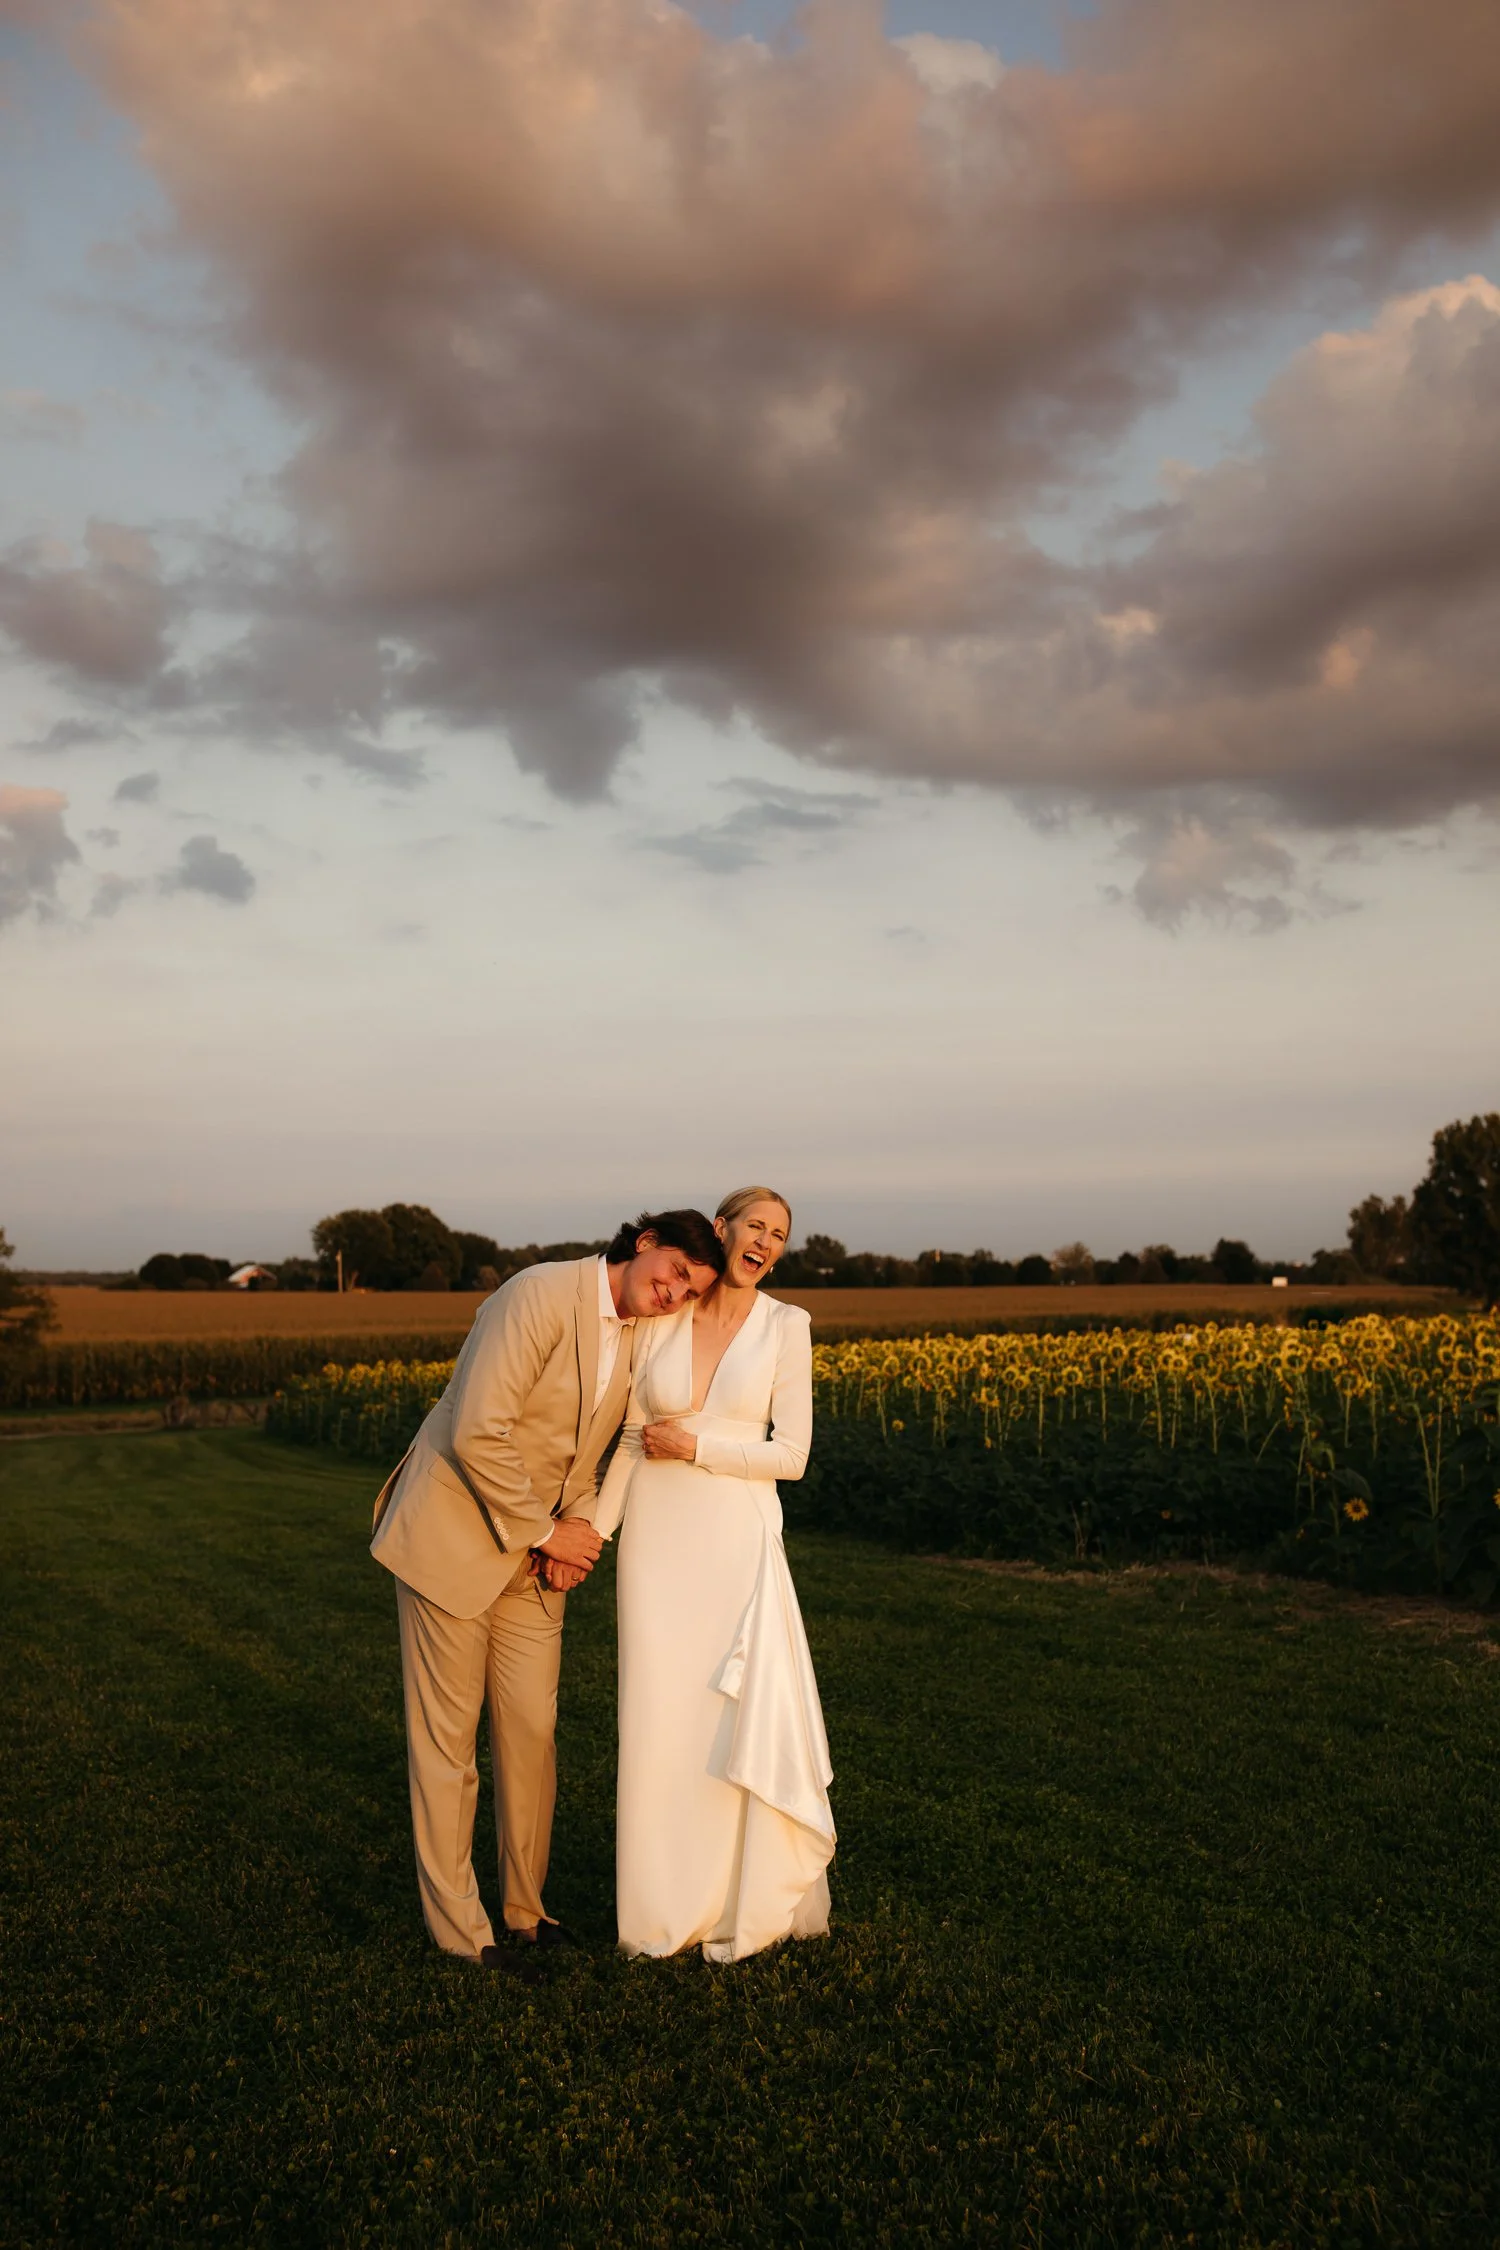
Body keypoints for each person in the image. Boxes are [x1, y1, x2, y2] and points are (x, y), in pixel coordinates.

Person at [370, 1211, 724, 1975]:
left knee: (532, 1736)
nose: (671, 1294)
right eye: (670, 1272)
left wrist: (579, 1531)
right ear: (642, 1243)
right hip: (453, 1541)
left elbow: (594, 1449)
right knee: (449, 1749)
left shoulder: (640, 1332)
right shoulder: (534, 1295)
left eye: (688, 1291)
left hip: (535, 1561)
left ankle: (527, 1913)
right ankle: (465, 1934)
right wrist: (545, 1532)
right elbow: (477, 1430)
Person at [597, 1186, 835, 1962]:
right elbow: (634, 1435)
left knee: (731, 1716)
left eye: (781, 1234)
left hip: (737, 1542)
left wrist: (698, 1447)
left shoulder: (786, 1328)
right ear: (722, 1230)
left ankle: (746, 1894)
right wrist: (593, 1535)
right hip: (656, 1549)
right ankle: (661, 1910)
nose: (765, 1241)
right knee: (659, 1720)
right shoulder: (663, 1318)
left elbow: (791, 1457)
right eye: (754, 1226)